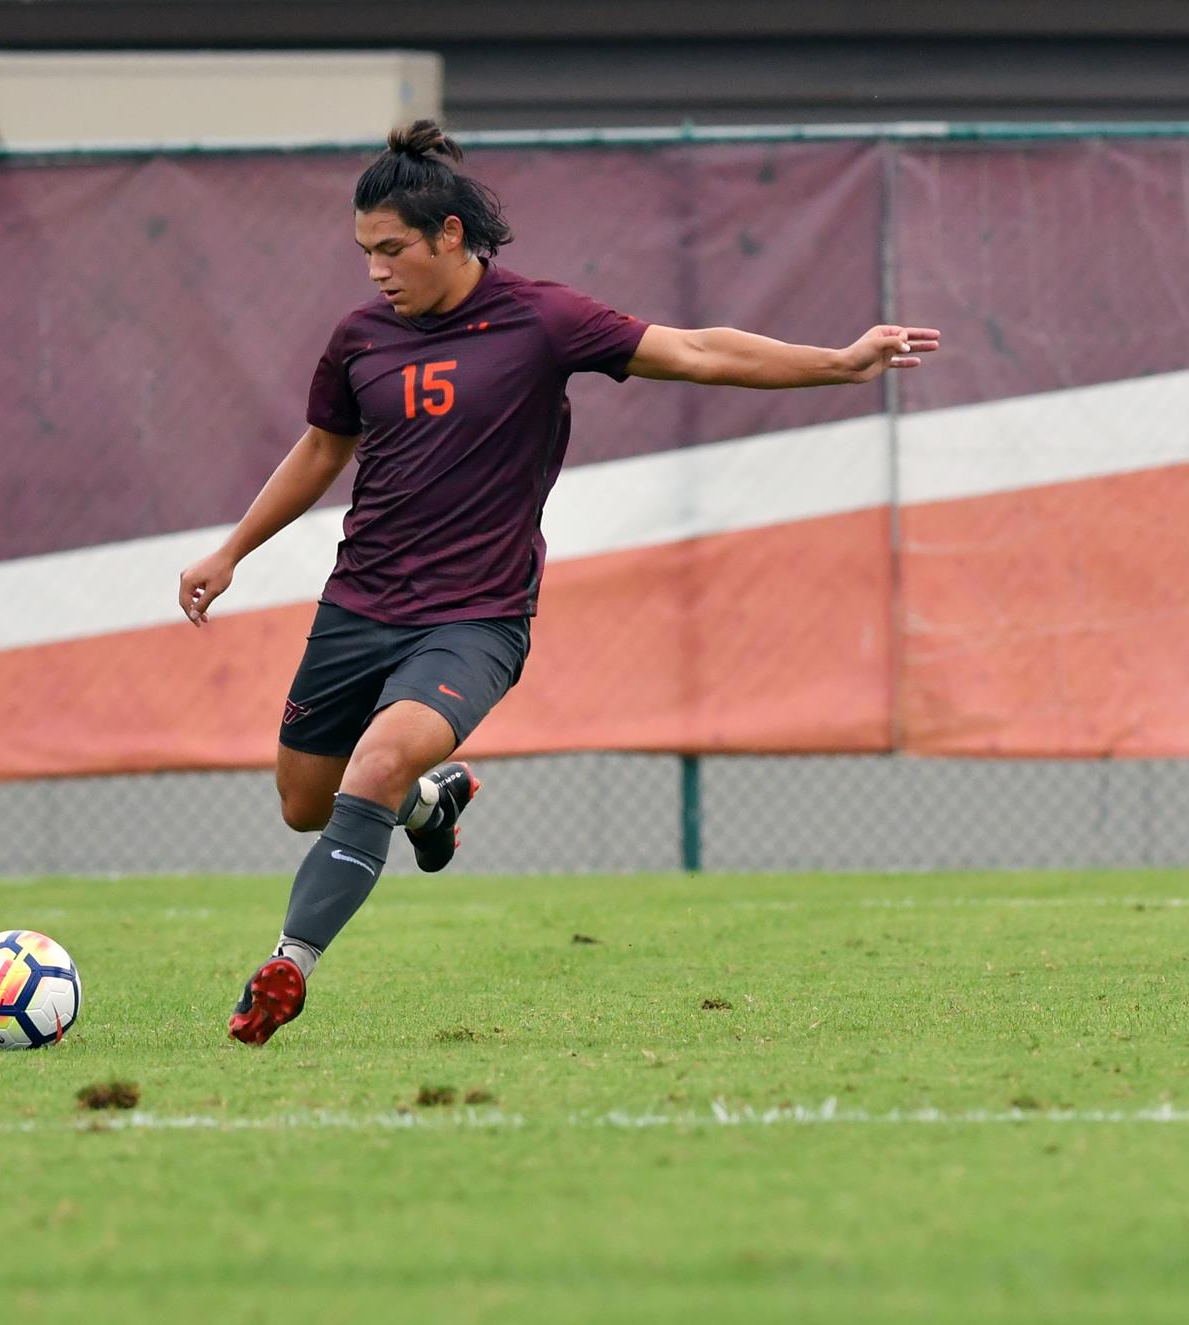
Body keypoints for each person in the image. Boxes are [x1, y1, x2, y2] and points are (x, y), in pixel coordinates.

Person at [180, 120, 941, 1046]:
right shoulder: (359, 340)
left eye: (392, 250)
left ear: (450, 236)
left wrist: (839, 362)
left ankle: (285, 967)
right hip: (359, 604)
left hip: (476, 619)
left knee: (376, 763)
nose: (376, 270)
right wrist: (232, 551)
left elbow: (697, 350)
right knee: (307, 803)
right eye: (364, 252)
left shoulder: (541, 321)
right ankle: (433, 800)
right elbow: (322, 449)